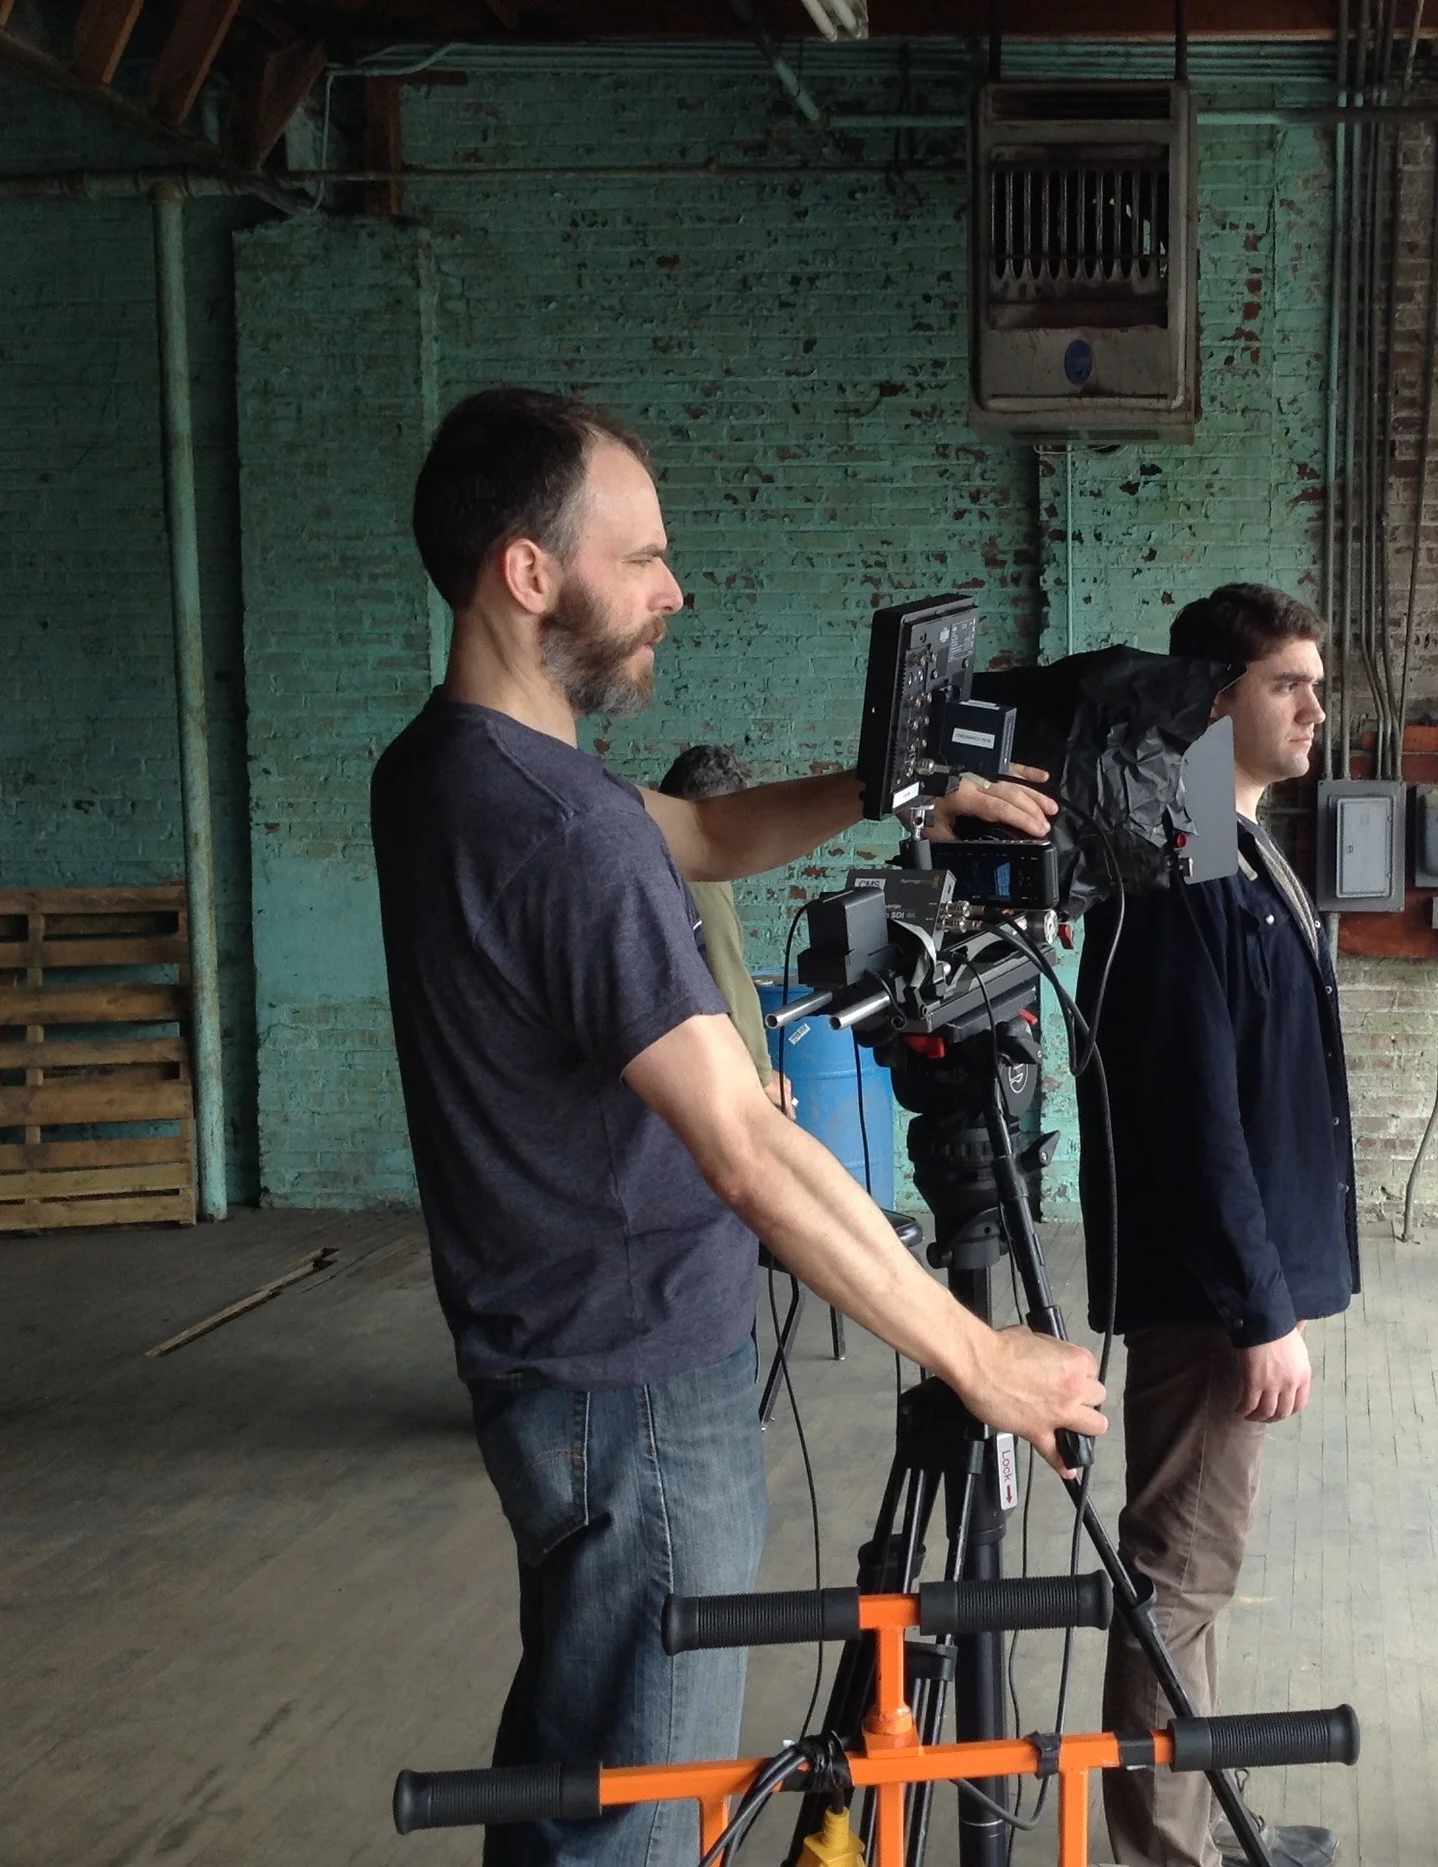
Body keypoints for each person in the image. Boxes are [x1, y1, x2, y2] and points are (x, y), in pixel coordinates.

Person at [372, 385, 1108, 1867]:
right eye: (643, 557)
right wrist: (974, 1355)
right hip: (638, 1385)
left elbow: (706, 833)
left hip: (552, 1365)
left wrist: (895, 790)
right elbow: (748, 1148)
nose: (674, 590)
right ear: (530, 571)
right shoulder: (566, 831)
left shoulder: (447, 766)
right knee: (635, 1813)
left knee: (575, 1754)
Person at [1075, 583, 1357, 1867]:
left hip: (1235, 1282)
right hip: (1209, 1296)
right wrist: (1257, 1307)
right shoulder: (1180, 866)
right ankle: (1163, 1850)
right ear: (1211, 700)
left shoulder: (1229, 841)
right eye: (1286, 683)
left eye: (1315, 683)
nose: (1314, 708)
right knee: (1177, 1574)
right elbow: (1195, 1116)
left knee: (1200, 1569)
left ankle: (1205, 1810)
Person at [655, 743, 792, 1118]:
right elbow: (725, 972)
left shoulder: (643, 849)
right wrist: (762, 1077)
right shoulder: (699, 873)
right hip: (690, 1067)